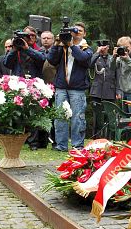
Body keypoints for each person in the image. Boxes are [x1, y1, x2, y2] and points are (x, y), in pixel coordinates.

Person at [47, 22, 92, 151]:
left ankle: (77, 145)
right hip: (61, 86)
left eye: (80, 31)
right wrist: (56, 44)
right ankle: (61, 145)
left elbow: (83, 59)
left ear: (84, 34)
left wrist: (72, 45)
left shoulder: (86, 48)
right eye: (74, 31)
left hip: (77, 88)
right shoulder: (62, 46)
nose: (77, 33)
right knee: (60, 116)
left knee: (77, 117)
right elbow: (51, 60)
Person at [89, 39, 117, 139]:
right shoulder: (96, 57)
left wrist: (117, 91)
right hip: (97, 91)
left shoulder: (113, 58)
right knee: (97, 115)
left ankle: (109, 137)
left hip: (110, 90)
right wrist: (97, 52)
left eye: (105, 47)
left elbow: (116, 74)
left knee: (110, 115)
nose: (103, 49)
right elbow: (90, 64)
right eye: (101, 47)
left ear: (108, 47)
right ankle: (96, 137)